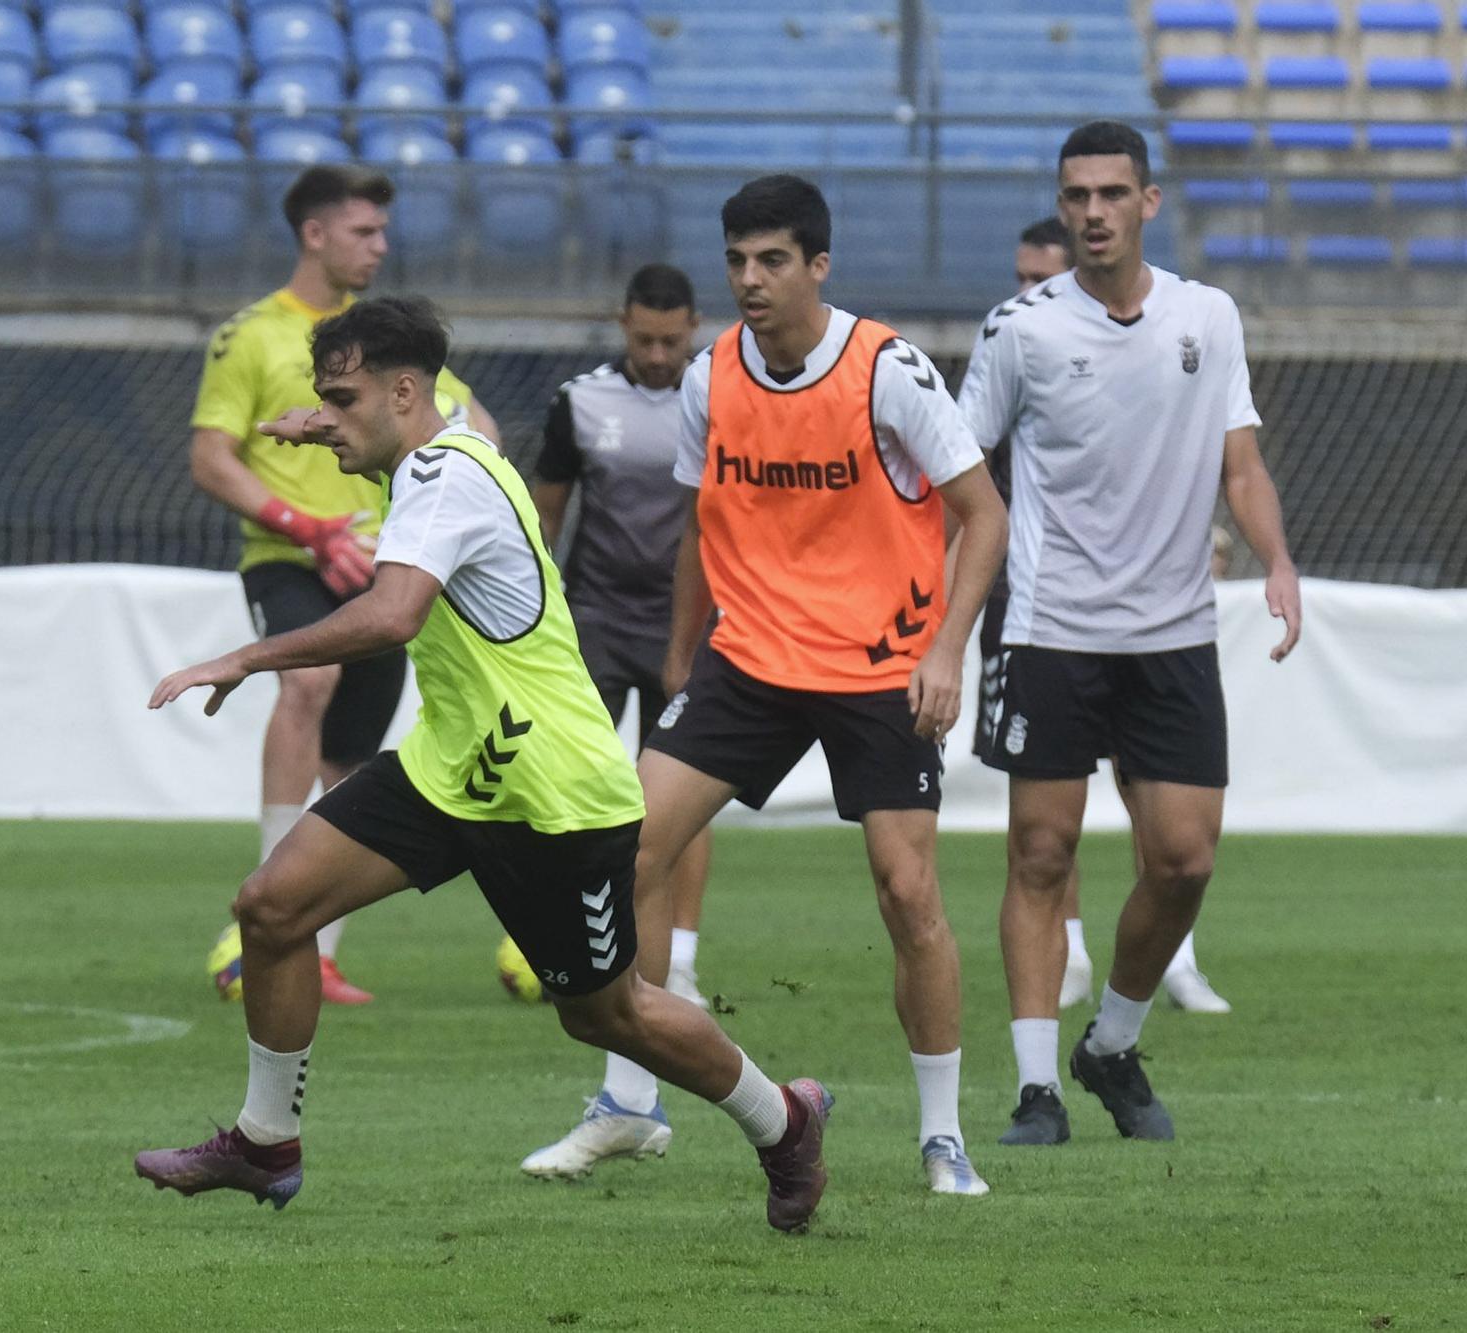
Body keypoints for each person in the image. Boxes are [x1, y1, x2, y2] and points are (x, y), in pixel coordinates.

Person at [137, 296, 835, 1236]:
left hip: (552, 791)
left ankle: (783, 1121)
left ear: (401, 391)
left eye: (342, 400)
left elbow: (391, 616)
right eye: (320, 402)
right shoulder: (431, 446)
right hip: (454, 768)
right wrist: (324, 425)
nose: (327, 418)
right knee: (271, 907)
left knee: (607, 1015)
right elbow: (418, 436)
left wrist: (243, 656)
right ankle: (266, 1143)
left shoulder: (443, 476)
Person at [523, 175, 1010, 1197]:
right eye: (737, 260)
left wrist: (943, 651)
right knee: (628, 849)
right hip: (748, 660)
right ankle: (627, 1101)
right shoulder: (712, 375)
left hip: (878, 665)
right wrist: (679, 657)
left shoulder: (888, 371)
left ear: (817, 266)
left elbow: (982, 515)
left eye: (771, 260)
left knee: (906, 891)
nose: (749, 279)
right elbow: (705, 520)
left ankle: (940, 1135)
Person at [957, 121, 1301, 1147]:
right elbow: (962, 476)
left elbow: (1239, 463)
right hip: (1048, 628)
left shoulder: (1208, 315)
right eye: (1077, 195)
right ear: (1061, 208)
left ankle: (1108, 1041)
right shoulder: (1016, 328)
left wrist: (1276, 557)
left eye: (1112, 192)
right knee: (1039, 852)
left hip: (1170, 634)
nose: (1093, 211)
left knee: (1183, 862)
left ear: (1147, 202)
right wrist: (939, 612)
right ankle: (1033, 1091)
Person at [187, 165, 502, 1006]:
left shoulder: (384, 347)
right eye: (365, 231)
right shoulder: (251, 336)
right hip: (288, 556)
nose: (381, 245)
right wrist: (308, 527)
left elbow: (474, 421)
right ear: (315, 234)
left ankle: (311, 944)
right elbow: (212, 455)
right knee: (307, 680)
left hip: (378, 569)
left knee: (353, 760)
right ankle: (265, 907)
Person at [974, 218, 1234, 1017]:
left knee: (1167, 828)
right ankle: (1073, 955)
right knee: (1048, 830)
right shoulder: (1019, 341)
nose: (1027, 287)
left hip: (1155, 616)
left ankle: (1171, 958)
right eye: (1019, 272)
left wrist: (1215, 534)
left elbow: (1182, 454)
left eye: (1037, 272)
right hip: (1038, 606)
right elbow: (961, 466)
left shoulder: (1168, 331)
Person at [529, 262, 715, 1012]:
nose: (661, 354)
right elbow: (542, 517)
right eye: (646, 339)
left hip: (693, 625)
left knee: (687, 796)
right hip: (595, 626)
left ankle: (684, 965)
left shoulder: (721, 397)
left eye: (673, 340)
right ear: (623, 325)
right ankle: (576, 948)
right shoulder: (579, 402)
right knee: (576, 794)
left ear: (693, 328)